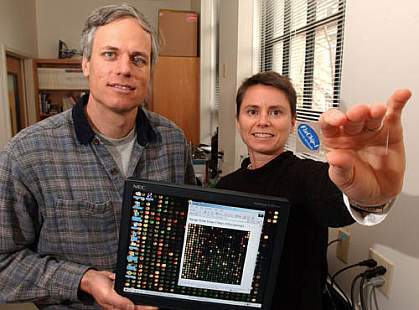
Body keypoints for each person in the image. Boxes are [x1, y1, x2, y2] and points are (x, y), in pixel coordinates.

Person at [0, 4, 195, 309]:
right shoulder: (27, 153)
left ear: (149, 71)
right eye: (109, 54)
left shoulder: (173, 142)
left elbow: (185, 233)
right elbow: (4, 264)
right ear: (86, 64)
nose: (124, 69)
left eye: (138, 59)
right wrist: (84, 279)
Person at [215, 71, 411, 310]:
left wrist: (368, 198)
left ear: (293, 122)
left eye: (276, 112)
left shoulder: (305, 174)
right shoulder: (227, 186)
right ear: (238, 121)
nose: (263, 121)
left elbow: (333, 201)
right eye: (252, 111)